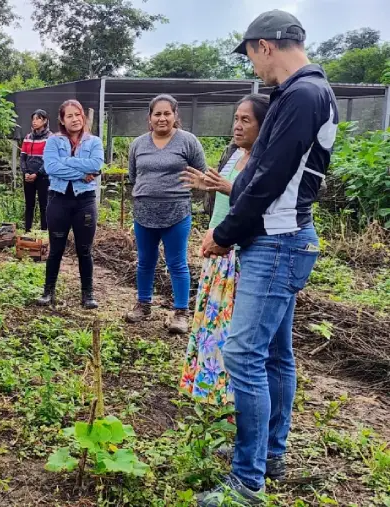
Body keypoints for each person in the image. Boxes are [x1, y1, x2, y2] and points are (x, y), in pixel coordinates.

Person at [197, 11, 337, 506]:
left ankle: (247, 481)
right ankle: (269, 452)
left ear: (265, 46)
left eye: (252, 57)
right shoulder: (300, 93)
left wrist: (225, 233)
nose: (255, 69)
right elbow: (260, 170)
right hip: (283, 238)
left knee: (243, 355)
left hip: (278, 241)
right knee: (276, 354)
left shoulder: (302, 95)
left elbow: (268, 179)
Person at [178, 94, 270, 407]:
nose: (237, 126)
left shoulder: (264, 161)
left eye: (246, 120)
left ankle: (230, 401)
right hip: (218, 250)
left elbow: (255, 202)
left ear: (264, 125)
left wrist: (229, 188)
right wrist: (208, 185)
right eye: (236, 119)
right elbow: (226, 198)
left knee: (229, 332)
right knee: (211, 327)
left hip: (238, 253)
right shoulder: (235, 155)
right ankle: (210, 392)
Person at [125, 95, 207, 334]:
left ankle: (181, 312)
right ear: (149, 118)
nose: (162, 118)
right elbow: (133, 176)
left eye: (166, 113)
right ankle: (143, 304)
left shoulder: (188, 141)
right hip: (144, 212)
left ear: (175, 116)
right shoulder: (138, 144)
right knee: (145, 261)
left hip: (177, 211)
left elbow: (201, 174)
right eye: (157, 114)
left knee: (177, 263)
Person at [36, 100, 104, 309]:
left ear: (83, 117)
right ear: (62, 120)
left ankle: (88, 294)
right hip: (59, 200)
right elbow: (51, 167)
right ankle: (48, 292)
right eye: (69, 116)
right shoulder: (54, 142)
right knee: (56, 248)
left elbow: (96, 164)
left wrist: (66, 161)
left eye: (78, 115)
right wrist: (82, 174)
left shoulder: (94, 142)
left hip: (85, 201)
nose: (75, 119)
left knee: (85, 249)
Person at [20, 109, 51, 232]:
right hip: (28, 177)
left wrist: (37, 174)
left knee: (44, 205)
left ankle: (44, 232)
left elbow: (49, 160)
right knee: (29, 205)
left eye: (38, 119)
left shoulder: (50, 138)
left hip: (43, 177)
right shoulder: (28, 137)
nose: (34, 122)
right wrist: (25, 172)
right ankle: (27, 231)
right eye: (33, 119)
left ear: (45, 121)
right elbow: (22, 157)